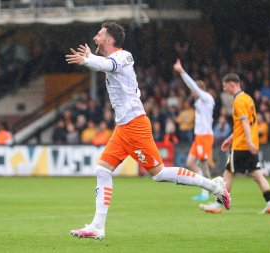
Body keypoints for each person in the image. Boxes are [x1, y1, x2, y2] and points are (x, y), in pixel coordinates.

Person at [65, 21, 230, 240]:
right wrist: (89, 59)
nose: (95, 38)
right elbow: (104, 64)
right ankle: (98, 226)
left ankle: (214, 186)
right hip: (123, 127)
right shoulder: (110, 58)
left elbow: (107, 66)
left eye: (99, 34)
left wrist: (87, 60)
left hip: (135, 125)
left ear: (110, 40)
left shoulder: (123, 56)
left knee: (159, 174)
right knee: (102, 171)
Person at [200, 73, 270, 214]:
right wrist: (231, 138)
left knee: (228, 173)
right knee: (257, 175)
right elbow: (243, 125)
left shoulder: (238, 101)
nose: (224, 89)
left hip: (242, 145)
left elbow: (244, 123)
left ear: (232, 84)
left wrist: (247, 141)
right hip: (250, 143)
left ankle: (218, 205)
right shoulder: (248, 99)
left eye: (225, 86)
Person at [173, 59, 215, 201]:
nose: (192, 93)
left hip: (205, 136)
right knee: (190, 163)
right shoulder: (199, 102)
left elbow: (193, 86)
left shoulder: (207, 98)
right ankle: (206, 185)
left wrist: (182, 71)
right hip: (199, 137)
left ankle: (208, 192)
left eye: (193, 90)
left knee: (203, 164)